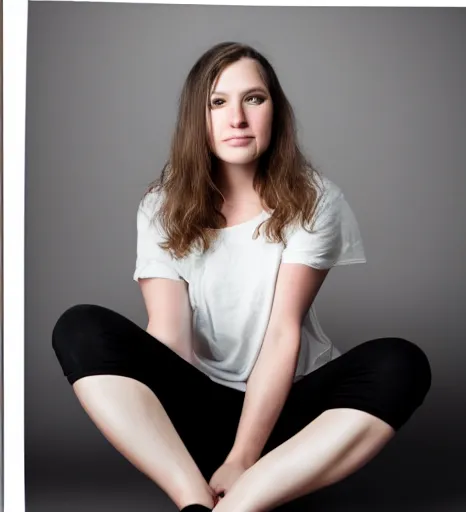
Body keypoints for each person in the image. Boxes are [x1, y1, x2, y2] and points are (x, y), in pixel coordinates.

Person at [52, 42, 432, 512]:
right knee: (80, 326)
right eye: (218, 102)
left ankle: (240, 504)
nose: (237, 118)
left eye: (254, 98)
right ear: (199, 117)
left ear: (276, 111)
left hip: (288, 414)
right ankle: (192, 497)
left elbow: (280, 333)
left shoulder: (313, 200)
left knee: (401, 361)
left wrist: (241, 457)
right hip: (205, 408)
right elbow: (170, 337)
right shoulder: (160, 205)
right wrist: (175, 410)